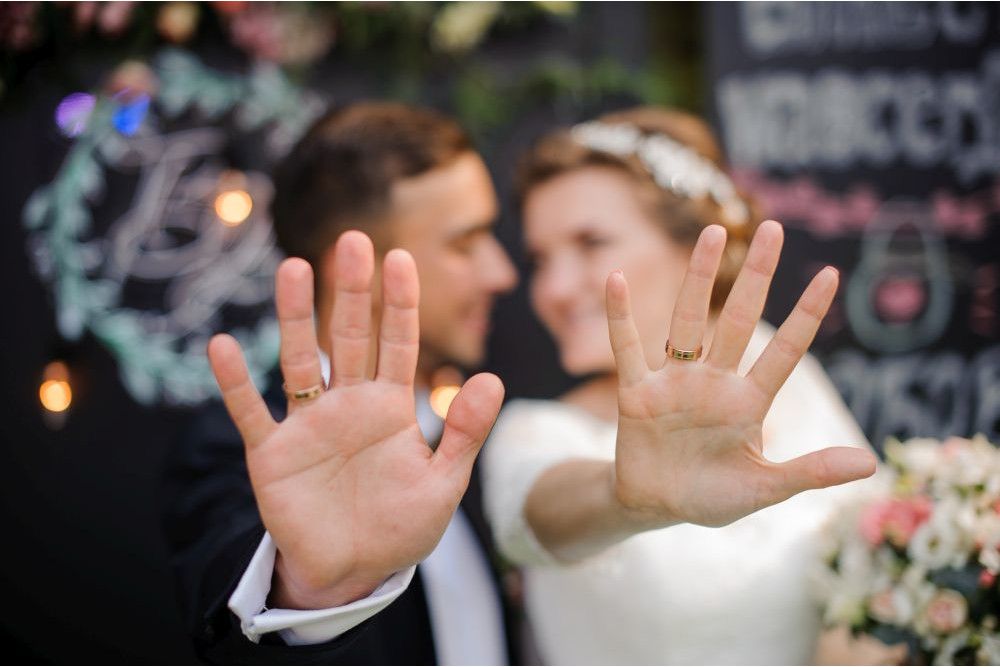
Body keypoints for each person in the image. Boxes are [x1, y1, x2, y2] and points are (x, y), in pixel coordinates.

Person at [164, 101, 877, 665]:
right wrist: (310, 587)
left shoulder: (457, 437)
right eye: (466, 241)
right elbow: (227, 627)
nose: (510, 278)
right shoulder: (239, 450)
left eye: (586, 244)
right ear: (362, 261)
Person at [482, 107, 900, 665]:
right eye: (540, 258)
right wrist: (627, 498)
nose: (553, 289)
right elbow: (538, 518)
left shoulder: (777, 368)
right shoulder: (534, 430)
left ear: (696, 248)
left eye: (591, 243)